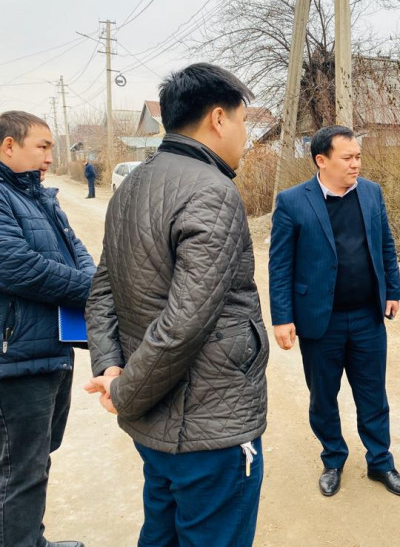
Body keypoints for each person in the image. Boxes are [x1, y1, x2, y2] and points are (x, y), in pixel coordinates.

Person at [84, 63, 269, 547]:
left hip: (158, 425)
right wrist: (122, 391)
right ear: (218, 119)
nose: (245, 136)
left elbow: (101, 291)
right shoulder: (212, 190)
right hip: (210, 425)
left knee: (161, 533)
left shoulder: (133, 185)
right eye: (243, 121)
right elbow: (184, 324)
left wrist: (110, 367)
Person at [269, 125, 400, 498]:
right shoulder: (292, 202)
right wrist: (282, 318)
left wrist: (393, 290)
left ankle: (381, 462)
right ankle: (333, 459)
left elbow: (385, 244)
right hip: (320, 321)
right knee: (323, 397)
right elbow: (280, 266)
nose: (356, 164)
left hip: (367, 316)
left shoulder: (371, 193)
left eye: (358, 156)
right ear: (322, 160)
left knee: (373, 395)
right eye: (347, 158)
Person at [0, 111, 95, 547]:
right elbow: (15, 265)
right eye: (42, 147)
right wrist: (93, 290)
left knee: (34, 462)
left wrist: (94, 282)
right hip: (16, 359)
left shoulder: (41, 197)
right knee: (18, 470)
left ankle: (29, 539)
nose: (50, 158)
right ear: (8, 146)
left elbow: (77, 252)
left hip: (49, 352)